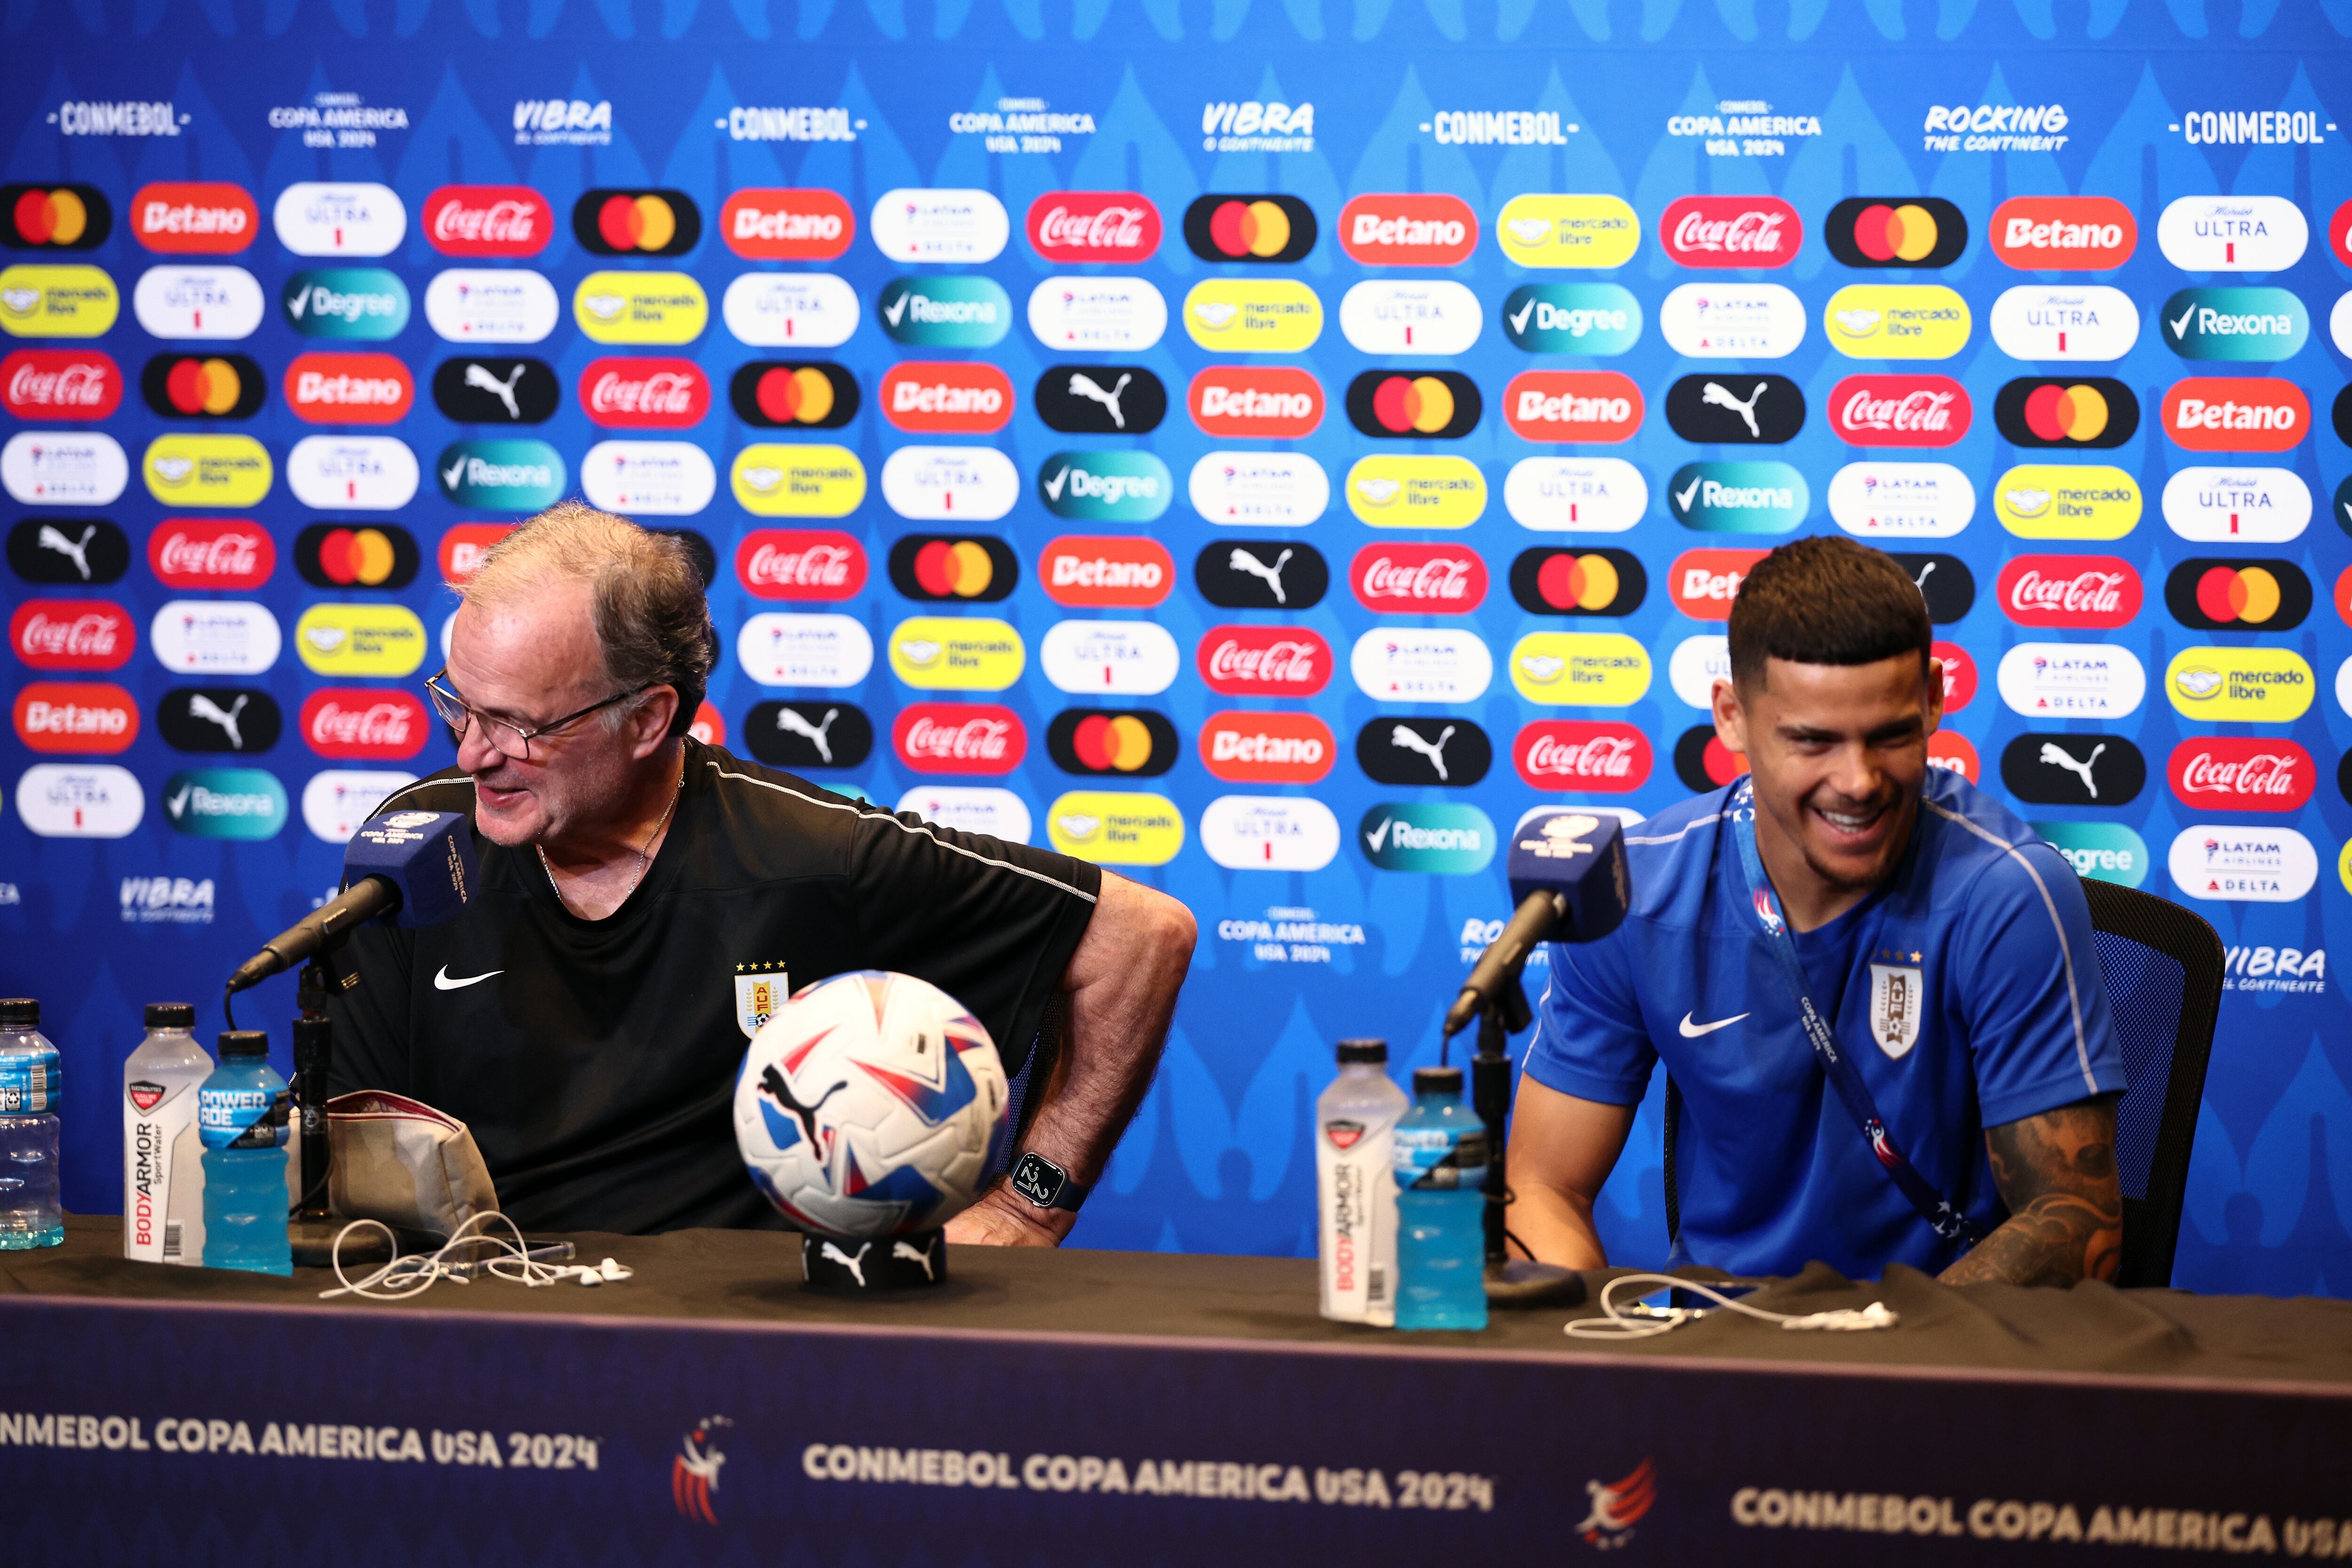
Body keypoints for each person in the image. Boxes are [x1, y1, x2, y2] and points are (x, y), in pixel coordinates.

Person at [326, 502, 1196, 1241]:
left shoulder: (809, 854)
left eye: (517, 725)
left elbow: (1141, 937)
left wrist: (1027, 1207)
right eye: (459, 705)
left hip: (737, 1350)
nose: (472, 755)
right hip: (485, 1327)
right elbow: (358, 1167)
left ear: (648, 718)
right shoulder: (416, 846)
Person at [1510, 536, 2127, 1286]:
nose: (1859, 781)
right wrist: (1576, 1334)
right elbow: (1544, 1186)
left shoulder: (2006, 893)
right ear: (1732, 717)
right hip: (1719, 1336)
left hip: (1936, 1338)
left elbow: (2075, 1220)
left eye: (1891, 735)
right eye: (1813, 741)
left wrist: (1880, 1342)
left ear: (1933, 697)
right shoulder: (1634, 893)